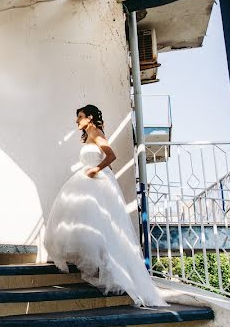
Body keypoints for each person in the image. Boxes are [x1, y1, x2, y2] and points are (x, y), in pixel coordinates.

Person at [44, 104, 167, 307]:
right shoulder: (89, 133)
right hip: (91, 182)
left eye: (80, 117)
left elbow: (111, 156)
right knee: (93, 224)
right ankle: (101, 267)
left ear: (90, 118)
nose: (77, 121)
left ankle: (113, 270)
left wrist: (96, 170)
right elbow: (106, 159)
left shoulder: (95, 131)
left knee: (105, 226)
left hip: (96, 180)